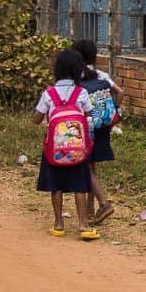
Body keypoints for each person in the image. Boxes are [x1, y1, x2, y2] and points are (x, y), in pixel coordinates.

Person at [33, 49, 99, 240]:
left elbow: (37, 119)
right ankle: (83, 224)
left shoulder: (49, 93)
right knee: (80, 185)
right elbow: (89, 118)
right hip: (77, 149)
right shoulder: (82, 92)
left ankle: (59, 224)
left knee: (56, 186)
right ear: (78, 70)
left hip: (54, 150)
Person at [71, 39, 124, 224]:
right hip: (103, 126)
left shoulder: (75, 77)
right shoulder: (101, 75)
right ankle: (90, 207)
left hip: (86, 126)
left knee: (86, 166)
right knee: (92, 165)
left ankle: (103, 204)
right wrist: (113, 112)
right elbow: (120, 92)